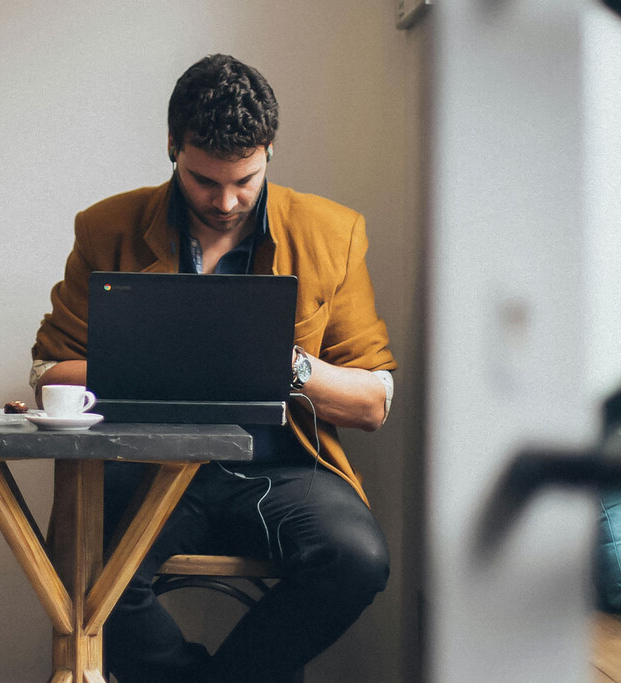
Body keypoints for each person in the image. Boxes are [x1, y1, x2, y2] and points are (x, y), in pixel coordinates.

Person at [30, 53, 397, 682]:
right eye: (204, 181)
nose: (226, 201)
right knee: (73, 563)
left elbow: (373, 401)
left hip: (281, 469)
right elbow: (47, 372)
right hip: (145, 467)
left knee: (357, 559)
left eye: (245, 180)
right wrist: (154, 362)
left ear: (270, 151)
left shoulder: (331, 233)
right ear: (172, 147)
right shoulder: (106, 227)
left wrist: (285, 365)